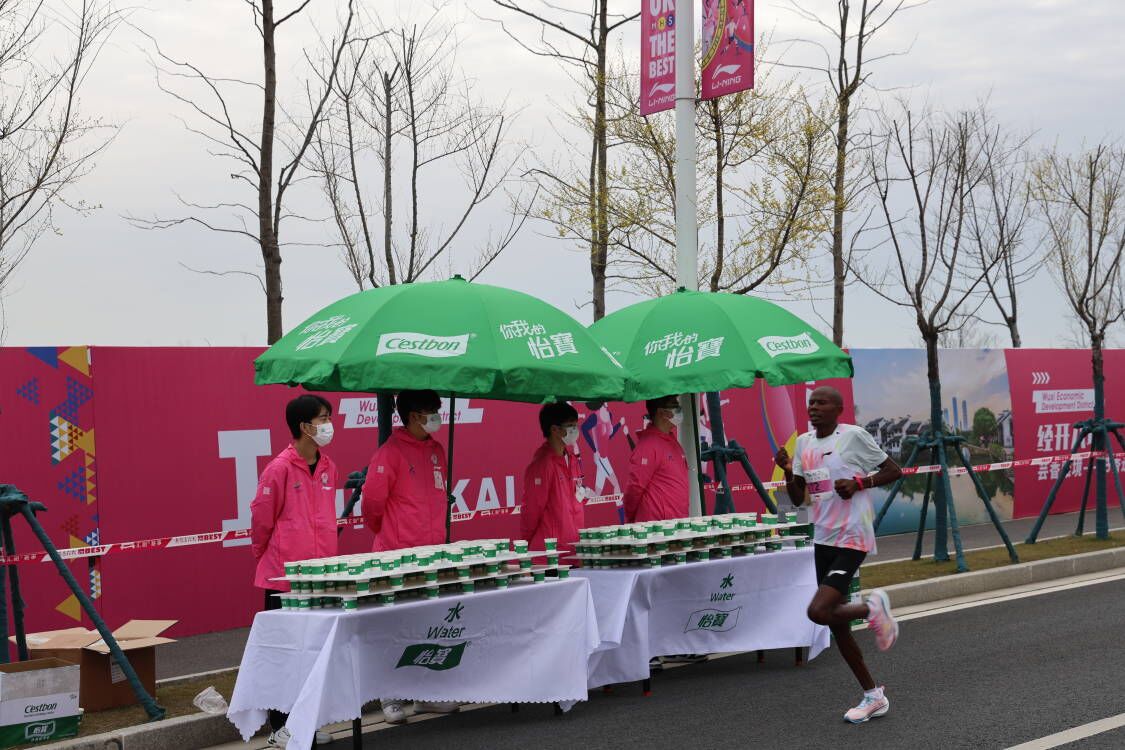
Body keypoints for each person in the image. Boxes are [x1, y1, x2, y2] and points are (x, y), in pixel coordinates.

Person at [774, 386, 903, 725]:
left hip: (852, 536)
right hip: (823, 537)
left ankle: (872, 608)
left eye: (822, 403)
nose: (814, 408)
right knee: (836, 623)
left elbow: (894, 470)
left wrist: (860, 483)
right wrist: (787, 470)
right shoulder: (804, 443)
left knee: (818, 611)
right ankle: (873, 695)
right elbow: (799, 498)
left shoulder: (853, 436)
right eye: (811, 403)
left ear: (838, 409)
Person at [360, 389, 457, 723]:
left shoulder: (436, 450)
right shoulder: (389, 453)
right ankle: (390, 696)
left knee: (429, 627)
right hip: (397, 556)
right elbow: (371, 506)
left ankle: (426, 695)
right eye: (432, 411)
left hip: (432, 555)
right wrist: (392, 535)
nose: (437, 417)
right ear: (414, 415)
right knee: (395, 628)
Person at [250, 394, 338, 748]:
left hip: (319, 578)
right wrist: (268, 559)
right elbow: (261, 520)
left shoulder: (329, 466)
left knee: (313, 654)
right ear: (304, 426)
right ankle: (279, 728)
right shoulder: (279, 469)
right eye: (322, 418)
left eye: (329, 417)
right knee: (283, 656)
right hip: (283, 578)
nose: (329, 424)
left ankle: (306, 724)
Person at [521, 403, 585, 556]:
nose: (575, 430)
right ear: (554, 429)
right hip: (549, 555)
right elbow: (532, 509)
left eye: (576, 425)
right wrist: (526, 545)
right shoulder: (543, 464)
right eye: (570, 426)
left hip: (573, 551)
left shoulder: (572, 459)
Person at [622, 395, 689, 523]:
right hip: (657, 529)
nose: (679, 409)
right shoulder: (647, 446)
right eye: (674, 405)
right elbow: (634, 488)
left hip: (677, 525)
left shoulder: (672, 440)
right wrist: (630, 520)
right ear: (661, 412)